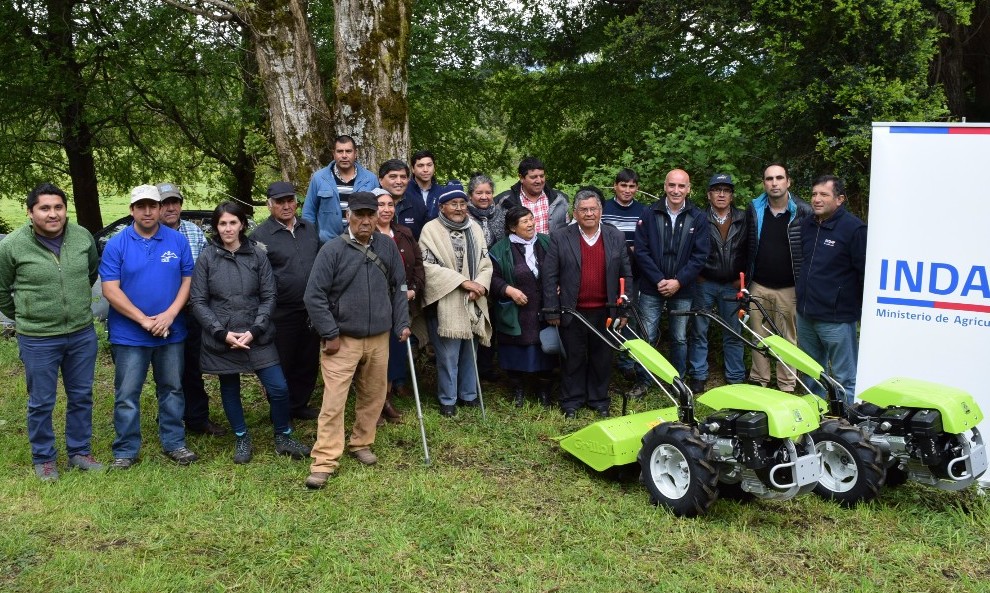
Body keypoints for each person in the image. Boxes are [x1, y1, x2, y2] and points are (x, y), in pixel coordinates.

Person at [303, 192, 411, 489]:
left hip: (379, 337)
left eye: (370, 215)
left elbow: (399, 288)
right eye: (359, 215)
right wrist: (329, 333)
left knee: (374, 396)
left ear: (378, 216)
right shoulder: (332, 250)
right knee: (334, 402)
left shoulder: (387, 247)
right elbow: (314, 296)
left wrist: (401, 322)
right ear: (348, 216)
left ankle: (361, 442)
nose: (365, 220)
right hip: (342, 340)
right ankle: (324, 461)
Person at [190, 201, 311, 464]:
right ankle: (242, 437)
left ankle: (283, 436)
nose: (228, 228)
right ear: (216, 226)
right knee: (230, 389)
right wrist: (221, 333)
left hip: (257, 334)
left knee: (278, 388)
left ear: (242, 224)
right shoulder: (207, 257)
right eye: (222, 223)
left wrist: (256, 329)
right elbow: (198, 300)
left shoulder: (257, 255)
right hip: (223, 336)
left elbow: (269, 295)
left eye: (233, 222)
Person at [0, 182, 101, 480]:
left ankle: (79, 452)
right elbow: (2, 290)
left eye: (58, 207)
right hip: (38, 338)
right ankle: (44, 458)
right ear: (30, 212)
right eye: (44, 208)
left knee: (81, 395)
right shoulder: (12, 246)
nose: (52, 214)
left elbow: (90, 273)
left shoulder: (82, 237)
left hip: (81, 333)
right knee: (42, 401)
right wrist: (25, 316)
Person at [99, 184, 198, 469]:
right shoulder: (118, 244)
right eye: (140, 206)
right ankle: (126, 449)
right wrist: (143, 319)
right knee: (127, 393)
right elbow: (110, 289)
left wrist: (169, 315)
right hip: (129, 333)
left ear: (158, 208)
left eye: (152, 206)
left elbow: (187, 281)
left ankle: (174, 442)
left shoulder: (176, 241)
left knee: (172, 388)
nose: (147, 211)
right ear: (131, 210)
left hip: (171, 330)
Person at [544, 187, 632, 418]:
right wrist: (552, 309)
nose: (589, 213)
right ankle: (571, 401)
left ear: (601, 211)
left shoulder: (615, 236)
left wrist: (624, 309)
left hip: (606, 311)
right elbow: (550, 275)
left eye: (593, 209)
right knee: (572, 358)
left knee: (602, 359)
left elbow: (626, 274)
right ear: (575, 212)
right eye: (584, 209)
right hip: (572, 310)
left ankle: (599, 400)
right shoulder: (561, 236)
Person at [630, 169, 710, 395]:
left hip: (683, 289)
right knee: (647, 335)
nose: (676, 190)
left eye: (681, 186)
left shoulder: (698, 217)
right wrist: (659, 280)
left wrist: (678, 281)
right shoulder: (649, 213)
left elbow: (700, 256)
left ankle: (678, 381)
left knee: (679, 337)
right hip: (651, 286)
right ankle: (643, 381)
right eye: (672, 185)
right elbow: (641, 251)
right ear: (665, 186)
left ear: (689, 189)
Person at [155, 182, 226, 437]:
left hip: (193, 312)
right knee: (166, 370)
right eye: (164, 203)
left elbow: (207, 271)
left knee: (194, 367)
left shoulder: (195, 233)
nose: (171, 208)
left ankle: (197, 418)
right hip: (162, 315)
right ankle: (169, 418)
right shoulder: (151, 234)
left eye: (174, 202)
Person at [249, 181, 322, 420]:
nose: (287, 206)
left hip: (310, 309)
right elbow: (255, 276)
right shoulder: (259, 236)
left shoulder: (309, 228)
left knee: (307, 360)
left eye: (290, 200)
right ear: (270, 205)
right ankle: (281, 408)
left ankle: (299, 404)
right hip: (280, 311)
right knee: (282, 361)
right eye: (280, 202)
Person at [419, 184, 493, 417]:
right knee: (448, 355)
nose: (459, 208)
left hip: (472, 299)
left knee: (470, 352)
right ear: (442, 207)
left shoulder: (475, 230)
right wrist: (462, 282)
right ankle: (448, 400)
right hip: (445, 300)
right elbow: (427, 266)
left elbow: (485, 262)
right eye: (454, 204)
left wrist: (479, 285)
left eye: (462, 204)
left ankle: (468, 395)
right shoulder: (430, 230)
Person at [796, 175, 866, 403]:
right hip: (806, 314)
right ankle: (818, 419)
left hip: (837, 318)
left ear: (840, 199)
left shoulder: (854, 229)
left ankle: (847, 423)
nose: (816, 199)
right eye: (814, 194)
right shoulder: (806, 225)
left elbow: (864, 272)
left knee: (845, 376)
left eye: (824, 194)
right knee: (810, 374)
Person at [746, 163, 813, 392]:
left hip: (789, 287)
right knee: (758, 336)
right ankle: (759, 382)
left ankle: (787, 385)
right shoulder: (754, 209)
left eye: (779, 178)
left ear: (788, 182)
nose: (774, 183)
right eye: (769, 179)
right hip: (759, 284)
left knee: (788, 339)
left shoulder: (803, 211)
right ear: (764, 183)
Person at [686, 174, 748, 391]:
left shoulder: (743, 218)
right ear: (709, 194)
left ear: (731, 195)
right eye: (717, 190)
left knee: (733, 332)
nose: (721, 194)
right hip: (705, 283)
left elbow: (751, 250)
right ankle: (699, 375)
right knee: (699, 330)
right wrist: (698, 275)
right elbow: (690, 250)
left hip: (732, 284)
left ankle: (736, 377)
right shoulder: (699, 218)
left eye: (726, 190)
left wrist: (742, 279)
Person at [489, 206, 555, 407]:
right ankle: (518, 389)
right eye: (525, 221)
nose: (531, 224)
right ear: (512, 227)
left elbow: (561, 266)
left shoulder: (547, 242)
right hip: (516, 312)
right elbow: (491, 277)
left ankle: (544, 391)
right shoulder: (499, 250)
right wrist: (509, 290)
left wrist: (559, 285)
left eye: (531, 219)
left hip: (544, 309)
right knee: (515, 352)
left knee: (546, 351)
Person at [372, 187, 425, 425]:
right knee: (375, 356)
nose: (386, 209)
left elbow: (418, 264)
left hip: (402, 302)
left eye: (390, 205)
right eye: (380, 205)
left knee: (395, 352)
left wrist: (414, 288)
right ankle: (373, 403)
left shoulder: (404, 233)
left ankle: (386, 399)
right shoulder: (365, 234)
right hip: (375, 305)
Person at [601, 168, 646, 380]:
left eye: (632, 186)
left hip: (634, 272)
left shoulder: (644, 211)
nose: (627, 190)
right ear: (615, 186)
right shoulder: (604, 208)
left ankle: (627, 360)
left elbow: (648, 240)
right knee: (606, 314)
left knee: (629, 315)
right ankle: (604, 357)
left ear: (637, 188)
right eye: (623, 185)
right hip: (606, 271)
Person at [302, 134, 379, 244]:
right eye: (340, 151)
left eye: (348, 151)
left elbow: (377, 211)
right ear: (333, 154)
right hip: (326, 243)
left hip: (361, 242)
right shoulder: (319, 178)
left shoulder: (370, 179)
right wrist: (311, 240)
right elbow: (309, 213)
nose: (344, 155)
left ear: (355, 154)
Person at [466, 172, 500, 381]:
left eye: (488, 192)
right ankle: (471, 369)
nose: (484, 196)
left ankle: (486, 367)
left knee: (491, 322)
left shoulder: (501, 214)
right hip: (472, 276)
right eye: (479, 193)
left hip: (496, 278)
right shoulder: (464, 216)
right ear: (471, 195)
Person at [492, 156, 569, 243]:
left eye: (542, 176)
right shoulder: (505, 201)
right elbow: (498, 235)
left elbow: (566, 231)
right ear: (521, 178)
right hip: (520, 254)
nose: (539, 181)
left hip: (552, 254)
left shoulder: (559, 199)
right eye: (533, 177)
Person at [382, 158, 427, 239]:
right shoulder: (371, 204)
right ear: (381, 180)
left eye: (403, 177)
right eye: (393, 177)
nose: (399, 181)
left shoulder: (418, 206)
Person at [405, 149, 445, 222]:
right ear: (413, 169)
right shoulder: (404, 191)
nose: (425, 170)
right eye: (420, 166)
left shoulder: (442, 192)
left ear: (434, 167)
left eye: (429, 165)